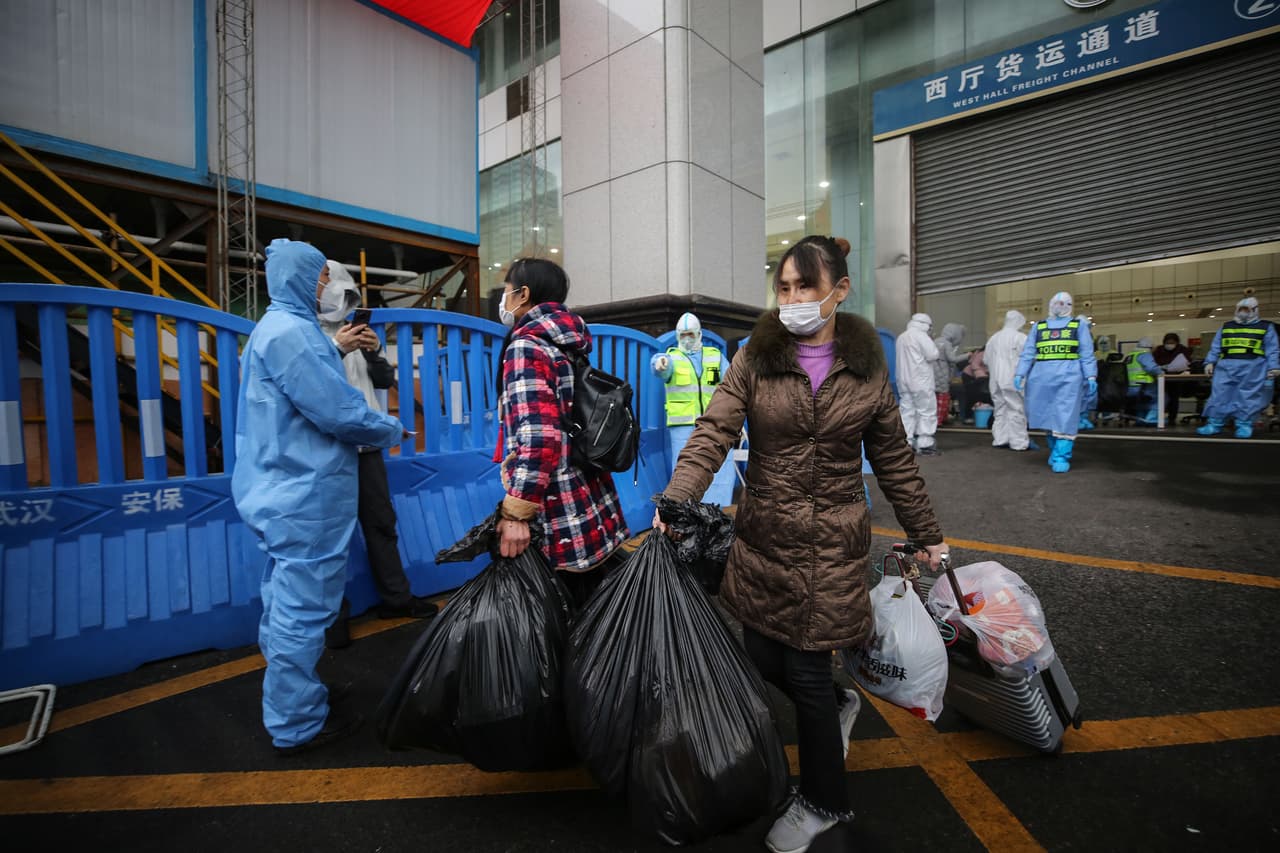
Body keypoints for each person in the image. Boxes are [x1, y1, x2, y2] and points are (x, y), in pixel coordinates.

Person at [654, 235, 949, 853]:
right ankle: (844, 703)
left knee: (806, 674)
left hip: (832, 543)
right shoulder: (755, 359)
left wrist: (927, 535)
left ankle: (824, 805)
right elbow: (713, 429)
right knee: (762, 658)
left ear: (838, 292)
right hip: (763, 536)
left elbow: (894, 457)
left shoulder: (867, 371)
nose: (791, 300)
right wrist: (679, 497)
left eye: (804, 288)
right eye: (783, 287)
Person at [232, 239, 404, 754]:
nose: (330, 287)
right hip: (302, 494)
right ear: (305, 278)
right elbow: (337, 411)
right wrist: (389, 428)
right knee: (301, 609)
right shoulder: (292, 334)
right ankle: (295, 722)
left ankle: (300, 695)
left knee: (286, 601)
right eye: (325, 278)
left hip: (282, 489)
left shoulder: (280, 330)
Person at [493, 257, 629, 607]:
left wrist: (516, 512)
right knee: (595, 614)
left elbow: (540, 438)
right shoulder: (570, 343)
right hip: (592, 497)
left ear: (523, 295)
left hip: (557, 507)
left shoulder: (527, 346)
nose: (503, 298)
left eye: (506, 290)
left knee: (559, 620)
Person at [316, 261, 438, 650]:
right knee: (328, 536)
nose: (340, 301)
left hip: (366, 446)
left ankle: (396, 599)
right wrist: (337, 349)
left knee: (381, 523)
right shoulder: (303, 334)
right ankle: (333, 620)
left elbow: (384, 381)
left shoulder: (358, 332)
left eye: (346, 294)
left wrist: (371, 352)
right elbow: (309, 383)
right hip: (328, 448)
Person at [650, 312, 737, 506]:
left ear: (699, 334)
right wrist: (659, 364)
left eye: (691, 334)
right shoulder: (671, 358)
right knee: (686, 470)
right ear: (677, 335)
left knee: (719, 465)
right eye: (683, 335)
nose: (687, 339)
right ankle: (688, 511)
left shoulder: (715, 357)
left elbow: (732, 383)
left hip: (715, 423)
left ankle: (720, 508)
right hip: (683, 427)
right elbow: (659, 367)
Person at [1014, 292, 1097, 473]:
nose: (1060, 306)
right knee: (1046, 416)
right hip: (1041, 377)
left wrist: (1091, 375)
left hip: (1069, 376)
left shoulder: (1078, 325)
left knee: (1066, 417)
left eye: (1065, 303)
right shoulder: (1039, 326)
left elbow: (1086, 353)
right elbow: (1028, 352)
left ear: (1070, 305)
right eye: (1056, 302)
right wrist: (1020, 373)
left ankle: (1061, 455)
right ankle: (1055, 450)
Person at [1196, 297, 1280, 438]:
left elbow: (1273, 349)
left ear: (1254, 310)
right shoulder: (1227, 326)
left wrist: (1273, 367)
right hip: (1226, 366)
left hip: (1253, 367)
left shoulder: (1265, 327)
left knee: (1247, 397)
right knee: (1219, 396)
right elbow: (1216, 346)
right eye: (1240, 310)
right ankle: (1214, 424)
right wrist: (1210, 362)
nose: (1243, 313)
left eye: (1246, 310)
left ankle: (1244, 424)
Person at [985, 310, 1035, 451]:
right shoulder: (1020, 338)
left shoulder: (993, 339)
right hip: (1013, 379)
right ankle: (1018, 442)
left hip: (995, 380)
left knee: (1000, 409)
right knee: (1016, 409)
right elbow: (1029, 358)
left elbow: (986, 360)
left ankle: (1000, 438)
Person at [895, 313, 940, 455]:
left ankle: (906, 441)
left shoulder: (902, 337)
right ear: (925, 324)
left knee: (907, 410)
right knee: (926, 410)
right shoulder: (921, 336)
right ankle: (925, 443)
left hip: (903, 380)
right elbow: (933, 354)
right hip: (921, 380)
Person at [1152, 332, 1193, 424]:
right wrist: (1163, 367)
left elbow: (1188, 361)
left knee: (1174, 398)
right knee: (1162, 397)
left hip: (1177, 377)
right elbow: (1154, 362)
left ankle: (1172, 418)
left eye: (1172, 343)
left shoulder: (1182, 349)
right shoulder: (1159, 350)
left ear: (1177, 342)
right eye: (1168, 343)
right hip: (1162, 377)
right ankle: (1159, 417)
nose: (1169, 345)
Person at [932, 323, 967, 425]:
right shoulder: (947, 344)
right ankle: (940, 420)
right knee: (944, 397)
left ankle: (935, 419)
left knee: (935, 399)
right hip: (943, 374)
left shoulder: (935, 341)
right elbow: (952, 359)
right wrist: (967, 355)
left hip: (933, 374)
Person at [1123, 337, 1164, 425]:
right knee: (1162, 396)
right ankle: (1152, 418)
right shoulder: (1144, 354)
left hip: (1127, 388)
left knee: (1140, 400)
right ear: (1150, 347)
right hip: (1142, 386)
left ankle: (1140, 418)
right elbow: (1152, 368)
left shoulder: (1130, 355)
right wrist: (1162, 371)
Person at [959, 346, 990, 424]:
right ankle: (967, 417)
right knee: (971, 396)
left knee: (982, 396)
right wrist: (981, 375)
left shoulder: (994, 354)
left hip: (980, 376)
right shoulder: (982, 353)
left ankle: (977, 416)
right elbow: (974, 364)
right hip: (969, 376)